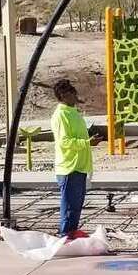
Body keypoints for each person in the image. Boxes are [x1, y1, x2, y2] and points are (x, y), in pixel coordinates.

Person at [49, 77, 92, 238]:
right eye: (72, 93)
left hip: (79, 166)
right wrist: (86, 143)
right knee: (69, 206)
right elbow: (64, 141)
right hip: (69, 167)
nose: (75, 96)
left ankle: (72, 233)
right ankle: (65, 235)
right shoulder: (60, 116)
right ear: (64, 96)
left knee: (76, 204)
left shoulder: (72, 113)